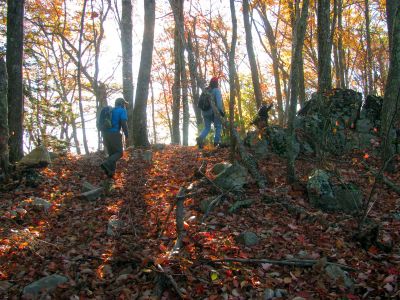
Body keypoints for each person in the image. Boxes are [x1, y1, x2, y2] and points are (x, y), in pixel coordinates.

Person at [100, 97, 129, 178]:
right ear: (122, 104)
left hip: (105, 134)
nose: (125, 106)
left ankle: (110, 173)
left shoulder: (111, 110)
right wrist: (127, 135)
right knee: (119, 153)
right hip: (114, 134)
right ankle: (106, 163)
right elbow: (123, 123)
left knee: (112, 154)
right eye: (124, 104)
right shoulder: (122, 110)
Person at [196, 77, 225, 148]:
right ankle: (216, 143)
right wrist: (221, 111)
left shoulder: (206, 90)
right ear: (216, 83)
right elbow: (218, 103)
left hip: (204, 112)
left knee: (207, 128)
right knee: (218, 126)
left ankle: (200, 138)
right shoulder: (216, 90)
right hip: (213, 111)